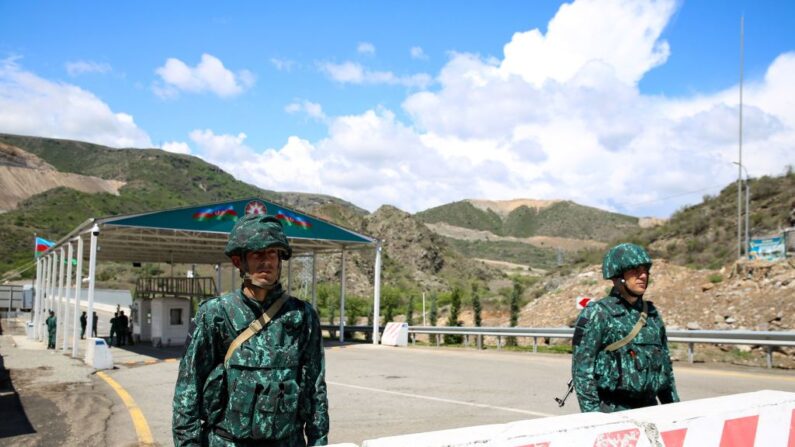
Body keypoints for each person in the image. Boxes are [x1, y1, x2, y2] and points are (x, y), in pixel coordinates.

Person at [173, 214, 328, 446]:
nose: (266, 261)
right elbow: (188, 390)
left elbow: (316, 390)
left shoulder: (302, 316)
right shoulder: (216, 314)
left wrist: (318, 442)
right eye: (258, 254)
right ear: (239, 261)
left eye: (272, 254)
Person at [571, 243, 679, 413]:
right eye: (636, 271)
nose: (643, 276)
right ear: (618, 275)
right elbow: (582, 371)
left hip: (651, 411)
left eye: (645, 271)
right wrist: (593, 418)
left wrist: (674, 411)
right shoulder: (597, 313)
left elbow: (665, 369)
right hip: (613, 412)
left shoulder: (651, 313)